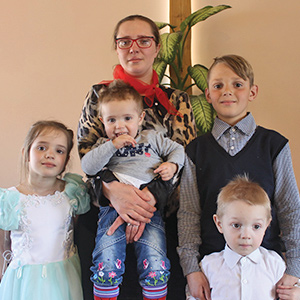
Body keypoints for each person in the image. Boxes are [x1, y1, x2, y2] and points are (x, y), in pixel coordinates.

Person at [76, 14, 196, 300]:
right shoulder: (99, 95)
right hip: (106, 214)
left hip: (160, 218)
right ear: (117, 48)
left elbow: (184, 160)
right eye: (124, 41)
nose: (134, 48)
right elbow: (86, 153)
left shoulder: (176, 100)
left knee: (157, 279)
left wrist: (144, 204)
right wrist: (115, 193)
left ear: (156, 48)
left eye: (144, 40)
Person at [177, 54, 300, 300]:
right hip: (213, 274)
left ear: (252, 92)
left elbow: (290, 208)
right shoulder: (195, 151)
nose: (227, 92)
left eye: (237, 84)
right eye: (218, 85)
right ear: (208, 95)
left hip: (267, 271)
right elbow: (189, 213)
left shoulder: (273, 145)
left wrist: (294, 268)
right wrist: (191, 269)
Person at [81, 79, 185, 300]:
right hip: (111, 211)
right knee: (106, 260)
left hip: (150, 212)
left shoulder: (153, 139)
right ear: (102, 121)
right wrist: (111, 146)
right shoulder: (103, 145)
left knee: (155, 260)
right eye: (112, 120)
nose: (119, 126)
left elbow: (178, 149)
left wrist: (172, 165)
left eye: (127, 118)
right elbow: (88, 167)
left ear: (140, 118)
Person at [0, 120, 90, 300]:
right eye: (41, 148)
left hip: (64, 279)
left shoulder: (72, 193)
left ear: (65, 161)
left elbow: (78, 231)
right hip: (23, 282)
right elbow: (4, 245)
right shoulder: (10, 199)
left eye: (59, 151)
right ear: (26, 153)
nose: (50, 155)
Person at [186, 175, 286, 300]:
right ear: (219, 224)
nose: (246, 235)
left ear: (267, 225)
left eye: (256, 226)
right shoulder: (209, 266)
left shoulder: (275, 264)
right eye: (236, 225)